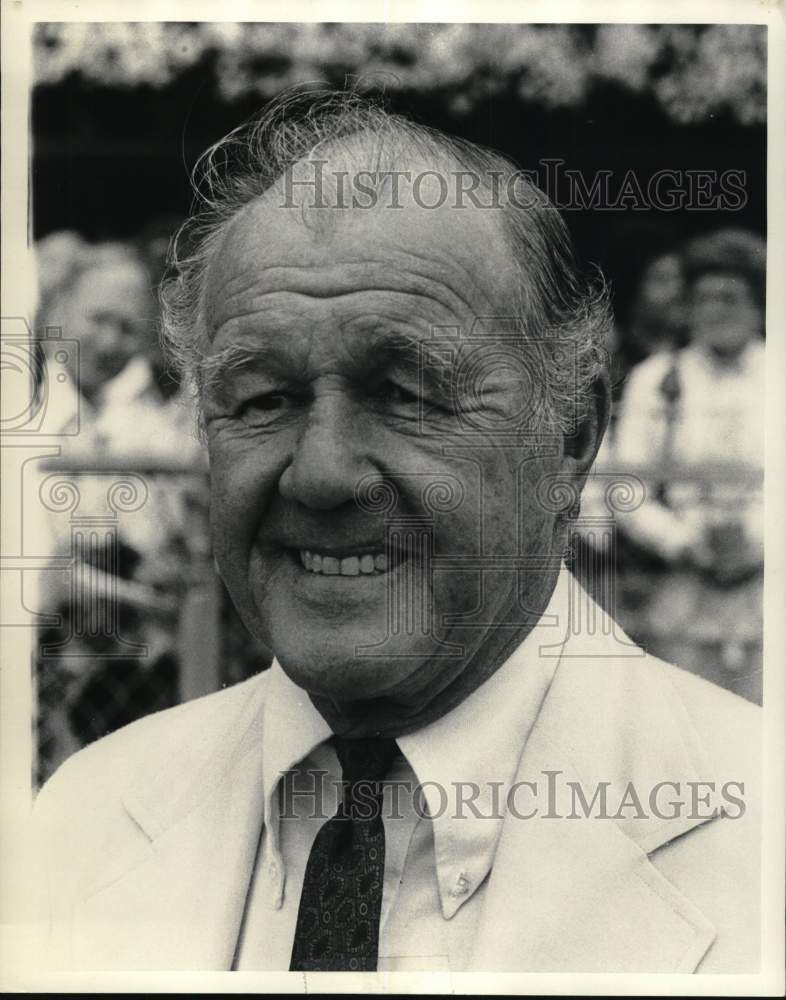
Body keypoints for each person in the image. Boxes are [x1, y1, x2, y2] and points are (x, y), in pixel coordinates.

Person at [26, 87, 760, 974]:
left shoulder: (758, 830)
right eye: (262, 400)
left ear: (572, 436)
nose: (323, 473)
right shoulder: (79, 822)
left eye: (406, 394)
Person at [613, 228, 765, 702]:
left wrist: (758, 542)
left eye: (732, 296)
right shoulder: (657, 379)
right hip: (681, 592)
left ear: (759, 304)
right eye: (705, 297)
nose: (718, 309)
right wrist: (681, 542)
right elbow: (626, 488)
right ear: (687, 306)